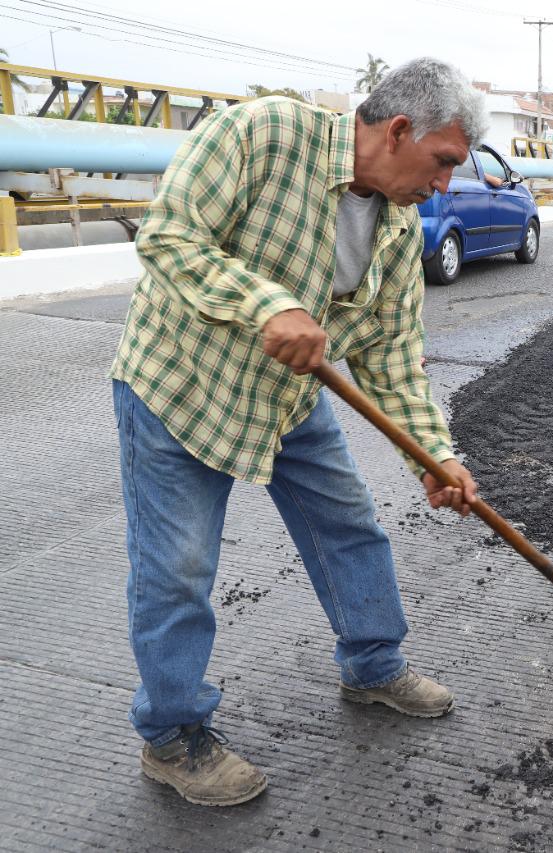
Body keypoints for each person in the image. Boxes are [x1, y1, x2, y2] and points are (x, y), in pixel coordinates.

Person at [110, 57, 487, 807]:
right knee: (178, 568)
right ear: (399, 130)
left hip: (287, 397)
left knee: (349, 523)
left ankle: (374, 664)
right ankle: (173, 736)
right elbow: (169, 235)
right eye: (443, 162)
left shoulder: (398, 226)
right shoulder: (262, 134)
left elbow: (390, 355)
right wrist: (266, 304)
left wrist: (435, 453)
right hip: (184, 384)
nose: (445, 183)